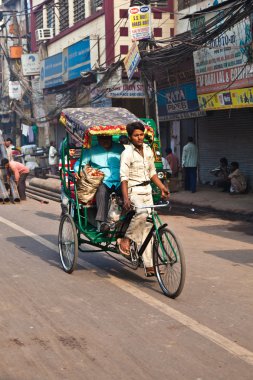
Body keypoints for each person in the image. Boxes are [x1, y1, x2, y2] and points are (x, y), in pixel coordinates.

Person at [118, 122, 169, 277]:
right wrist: (126, 198)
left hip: (148, 191)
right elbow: (124, 178)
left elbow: (152, 172)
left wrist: (161, 187)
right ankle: (126, 240)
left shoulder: (147, 150)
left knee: (148, 228)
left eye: (141, 135)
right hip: (134, 190)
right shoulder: (126, 153)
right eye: (136, 135)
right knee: (140, 212)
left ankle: (149, 266)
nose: (139, 138)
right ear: (130, 137)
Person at [74, 135, 124, 230]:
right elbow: (79, 163)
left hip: (120, 180)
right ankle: (102, 222)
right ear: (98, 139)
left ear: (111, 137)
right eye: (102, 138)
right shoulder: (91, 150)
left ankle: (125, 220)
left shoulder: (120, 148)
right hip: (103, 181)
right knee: (101, 191)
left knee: (129, 191)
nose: (105, 141)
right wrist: (77, 171)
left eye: (107, 138)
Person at [59, 145, 76, 216]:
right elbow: (61, 173)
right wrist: (64, 182)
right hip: (65, 182)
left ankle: (71, 217)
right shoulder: (62, 160)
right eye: (71, 150)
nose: (72, 152)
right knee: (65, 201)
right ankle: (64, 212)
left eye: (73, 150)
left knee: (73, 201)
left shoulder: (75, 160)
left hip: (73, 183)